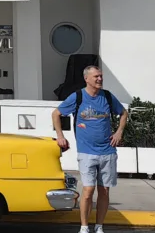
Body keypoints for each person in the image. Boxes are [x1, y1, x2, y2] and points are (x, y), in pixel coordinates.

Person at [51, 65, 127, 233]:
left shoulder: (107, 96)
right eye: (96, 76)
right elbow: (56, 114)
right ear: (86, 79)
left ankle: (99, 226)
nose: (100, 79)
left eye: (100, 76)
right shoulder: (77, 97)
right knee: (88, 191)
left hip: (107, 152)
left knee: (104, 191)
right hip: (86, 152)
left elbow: (123, 113)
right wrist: (60, 136)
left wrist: (119, 132)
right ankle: (84, 227)